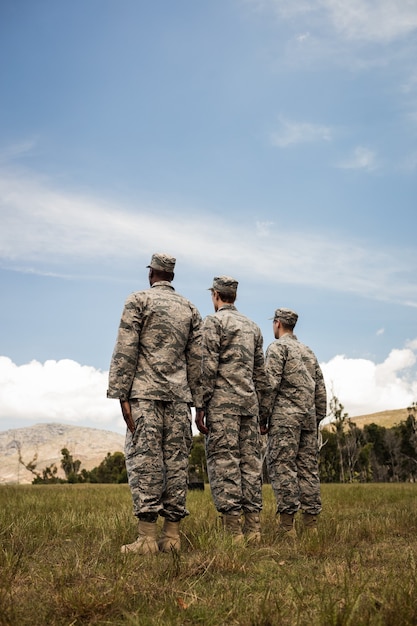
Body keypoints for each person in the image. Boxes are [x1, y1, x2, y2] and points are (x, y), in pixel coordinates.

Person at [107, 252, 203, 554]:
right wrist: (199, 403)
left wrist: (121, 393)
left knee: (145, 463)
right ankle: (171, 537)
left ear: (152, 274)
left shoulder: (138, 301)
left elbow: (126, 348)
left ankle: (147, 538)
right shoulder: (190, 308)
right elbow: (197, 361)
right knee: (176, 464)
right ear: (171, 276)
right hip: (178, 400)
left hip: (145, 396)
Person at [195, 276, 271, 543]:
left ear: (216, 295)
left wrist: (200, 405)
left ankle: (234, 533)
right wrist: (265, 412)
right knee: (250, 467)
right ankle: (254, 531)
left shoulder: (214, 322)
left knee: (225, 465)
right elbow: (261, 375)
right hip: (249, 408)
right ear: (234, 296)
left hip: (222, 407)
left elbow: (207, 367)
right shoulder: (253, 327)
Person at [262, 308, 327, 538]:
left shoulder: (277, 348)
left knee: (283, 467)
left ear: (278, 323)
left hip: (284, 420)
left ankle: (287, 527)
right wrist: (317, 417)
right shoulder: (307, 351)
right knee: (308, 469)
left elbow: (270, 385)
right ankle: (311, 526)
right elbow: (320, 388)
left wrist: (263, 416)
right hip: (308, 419)